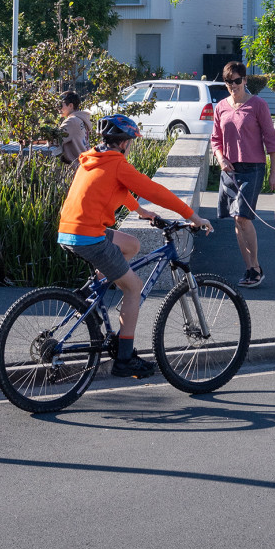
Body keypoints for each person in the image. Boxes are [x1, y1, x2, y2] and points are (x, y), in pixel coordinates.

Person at [57, 114, 213, 378]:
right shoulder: (117, 163)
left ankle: (91, 295)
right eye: (131, 142)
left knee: (131, 244)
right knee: (134, 288)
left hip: (70, 231)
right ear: (124, 143)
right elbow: (154, 190)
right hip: (89, 237)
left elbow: (114, 188)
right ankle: (124, 360)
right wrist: (193, 216)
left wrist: (139, 209)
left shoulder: (93, 158)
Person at [211, 61, 275, 288]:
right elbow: (216, 140)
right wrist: (221, 158)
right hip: (229, 170)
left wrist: (274, 172)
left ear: (245, 80)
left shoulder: (258, 105)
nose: (234, 85)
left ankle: (257, 266)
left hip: (253, 168)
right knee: (236, 220)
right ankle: (249, 269)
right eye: (229, 82)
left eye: (238, 81)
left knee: (243, 217)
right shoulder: (221, 106)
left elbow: (271, 138)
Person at [55, 91, 92, 164]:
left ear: (71, 106)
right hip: (84, 162)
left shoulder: (72, 121)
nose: (58, 108)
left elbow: (55, 140)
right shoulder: (82, 119)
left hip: (76, 165)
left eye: (60, 105)